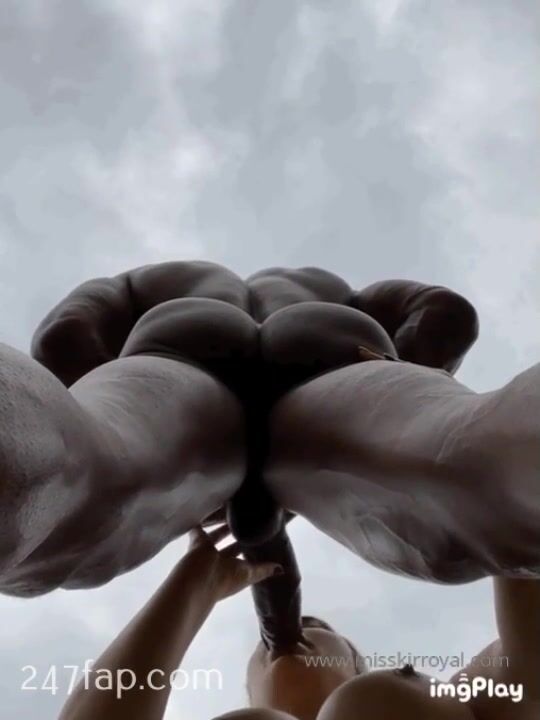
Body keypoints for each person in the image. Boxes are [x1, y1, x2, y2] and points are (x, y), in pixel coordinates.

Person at [58, 523, 540, 720]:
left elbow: (528, 670)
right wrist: (195, 581)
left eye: (324, 630)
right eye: (258, 653)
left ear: (356, 664)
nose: (305, 626)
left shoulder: (450, 700)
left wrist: (484, 509)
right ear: (250, 690)